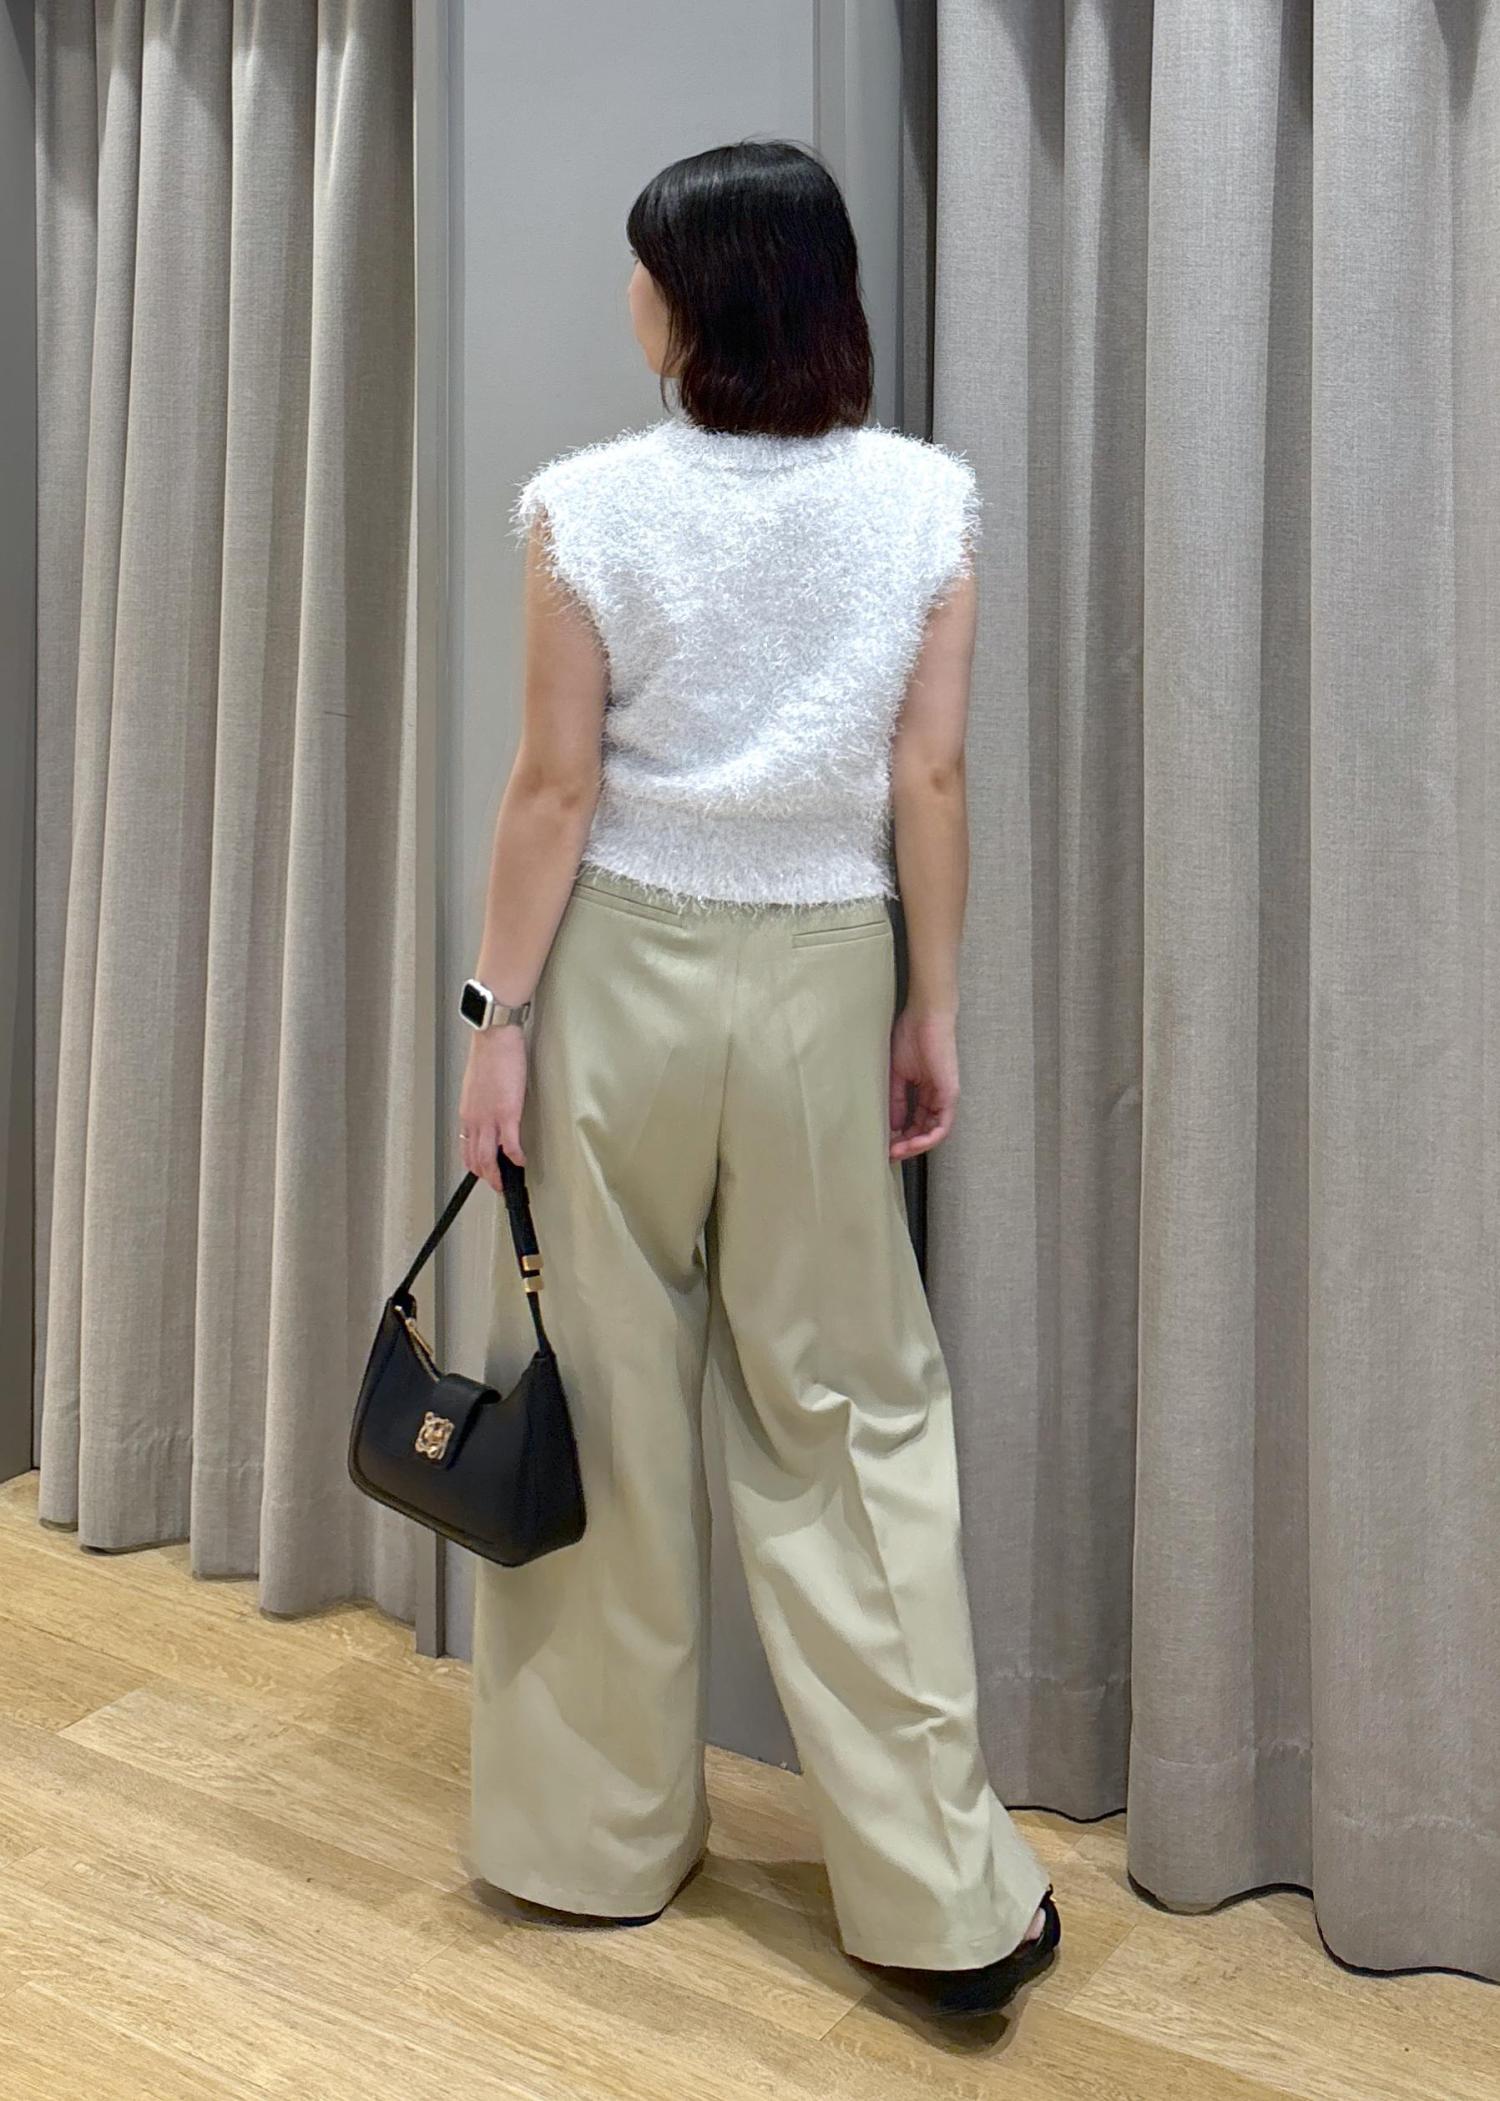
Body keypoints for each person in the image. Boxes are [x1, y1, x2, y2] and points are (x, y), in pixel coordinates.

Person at [455, 138, 1061, 2022]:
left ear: (699, 299)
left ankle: (587, 1843)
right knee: (850, 1416)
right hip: (823, 976)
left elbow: (554, 788)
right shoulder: (926, 505)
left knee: (605, 1397)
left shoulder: (583, 508)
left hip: (622, 977)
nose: (627, 296)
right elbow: (928, 781)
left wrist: (494, 1019)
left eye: (646, 268)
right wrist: (930, 1003)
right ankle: (938, 1898)